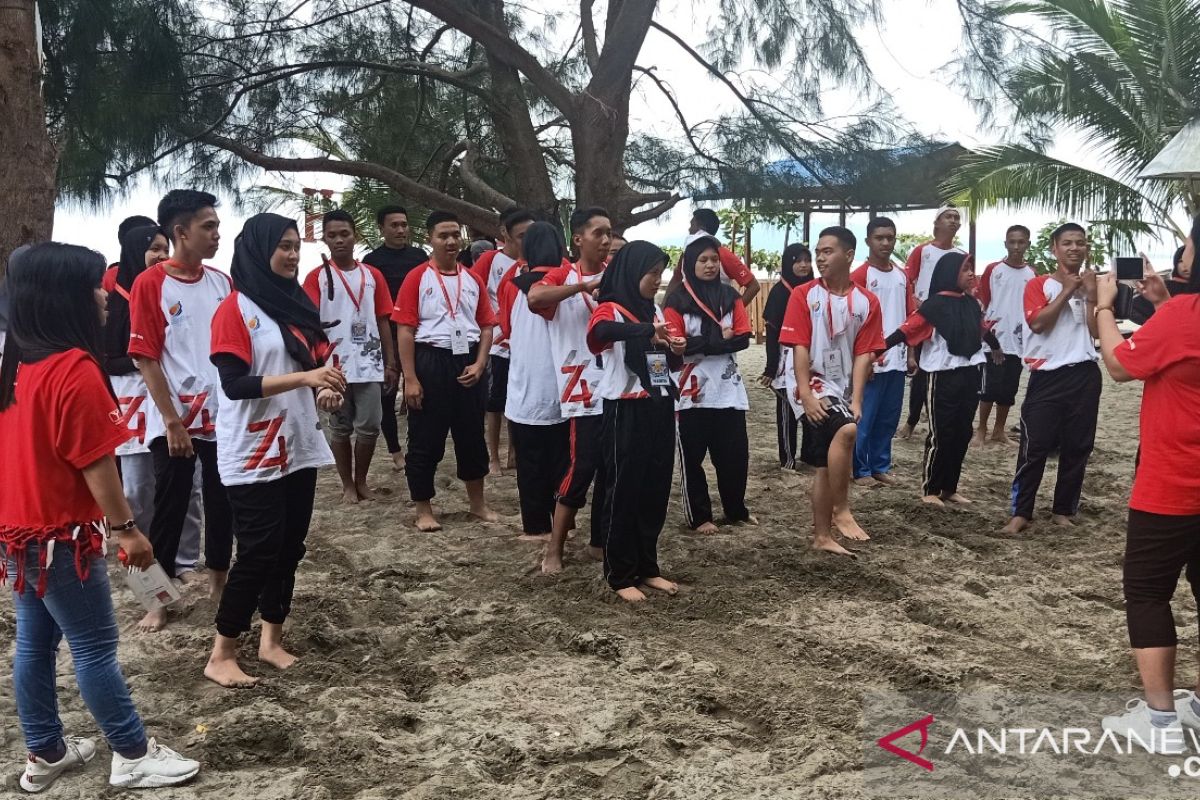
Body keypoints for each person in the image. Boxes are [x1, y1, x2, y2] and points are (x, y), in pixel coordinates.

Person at [0, 242, 201, 791]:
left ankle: (44, 752)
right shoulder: (74, 368)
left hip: (18, 532)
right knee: (93, 648)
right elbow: (95, 464)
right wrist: (127, 529)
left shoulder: (16, 362)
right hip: (61, 535)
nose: (106, 296)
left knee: (34, 644)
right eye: (95, 286)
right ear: (65, 296)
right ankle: (132, 752)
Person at [205, 213, 346, 688]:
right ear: (258, 250)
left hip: (298, 442)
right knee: (259, 549)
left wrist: (328, 387)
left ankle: (271, 640)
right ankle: (222, 651)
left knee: (289, 547)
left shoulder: (296, 304)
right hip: (252, 449)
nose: (291, 254)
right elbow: (236, 384)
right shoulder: (235, 309)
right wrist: (306, 378)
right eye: (282, 246)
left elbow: (322, 361)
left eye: (294, 246)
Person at [1094, 223, 1200, 752]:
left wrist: (1104, 309)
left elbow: (1120, 364)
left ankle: (1161, 724)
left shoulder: (1187, 316)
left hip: (1175, 484)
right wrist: (1163, 305)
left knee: (1147, 592)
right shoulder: (1180, 315)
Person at [128, 189, 233, 631]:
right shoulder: (150, 283)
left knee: (222, 497)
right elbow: (145, 356)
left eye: (216, 225)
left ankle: (219, 580)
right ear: (180, 232)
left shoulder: (222, 281)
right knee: (167, 504)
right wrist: (171, 419)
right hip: (172, 416)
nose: (216, 234)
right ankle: (156, 596)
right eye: (207, 226)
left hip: (222, 413)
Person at [587, 241, 684, 602]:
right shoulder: (611, 307)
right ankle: (619, 573)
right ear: (632, 271)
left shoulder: (655, 310)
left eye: (661, 273)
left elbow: (669, 364)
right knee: (623, 490)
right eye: (652, 273)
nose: (657, 280)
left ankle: (648, 567)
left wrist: (675, 349)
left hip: (659, 404)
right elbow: (599, 335)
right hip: (624, 407)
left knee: (655, 489)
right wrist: (646, 331)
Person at [778, 226, 884, 557]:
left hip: (841, 385)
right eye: (818, 252)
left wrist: (856, 398)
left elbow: (865, 353)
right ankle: (842, 509)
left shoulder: (867, 301)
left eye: (828, 251)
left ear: (849, 255)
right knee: (847, 430)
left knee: (826, 461)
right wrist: (806, 394)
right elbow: (798, 346)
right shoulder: (804, 294)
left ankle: (821, 535)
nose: (820, 258)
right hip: (809, 381)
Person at [393, 211, 498, 531]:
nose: (451, 241)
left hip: (466, 360)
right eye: (443, 235)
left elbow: (486, 326)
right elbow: (406, 330)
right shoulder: (417, 277)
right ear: (430, 238)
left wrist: (480, 363)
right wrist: (410, 378)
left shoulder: (472, 279)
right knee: (426, 437)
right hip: (431, 361)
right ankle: (424, 509)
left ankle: (478, 504)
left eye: (455, 234)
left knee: (471, 436)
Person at [1001, 223, 1101, 536]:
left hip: (1084, 372)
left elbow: (1098, 332)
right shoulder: (1038, 284)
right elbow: (1039, 324)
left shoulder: (1094, 285)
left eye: (1080, 243)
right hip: (1047, 375)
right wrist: (1069, 289)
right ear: (1054, 248)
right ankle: (1021, 512)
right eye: (1068, 243)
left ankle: (1063, 509)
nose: (1075, 248)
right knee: (1034, 446)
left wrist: (1090, 296)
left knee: (1078, 446)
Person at [528, 206, 613, 574]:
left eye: (610, 232)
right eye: (598, 233)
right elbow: (535, 298)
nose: (606, 240)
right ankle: (554, 548)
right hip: (581, 386)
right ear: (578, 239)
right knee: (581, 469)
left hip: (615, 383)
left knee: (613, 468)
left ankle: (599, 542)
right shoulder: (564, 273)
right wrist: (582, 286)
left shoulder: (617, 274)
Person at [882, 253, 1003, 506]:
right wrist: (875, 350)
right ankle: (930, 489)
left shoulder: (971, 304)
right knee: (941, 433)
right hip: (942, 375)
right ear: (949, 273)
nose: (971, 274)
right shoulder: (933, 306)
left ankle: (950, 487)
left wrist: (996, 347)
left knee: (962, 432)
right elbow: (906, 330)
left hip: (970, 372)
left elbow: (981, 330)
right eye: (964, 270)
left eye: (971, 269)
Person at [301, 210, 396, 503]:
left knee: (370, 424)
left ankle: (362, 480)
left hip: (369, 362)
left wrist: (391, 362)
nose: (340, 240)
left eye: (345, 234)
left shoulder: (372, 275)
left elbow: (382, 319)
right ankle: (347, 485)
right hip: (334, 365)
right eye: (332, 235)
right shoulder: (317, 277)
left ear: (355, 235)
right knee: (340, 426)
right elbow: (310, 324)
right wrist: (315, 367)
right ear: (325, 239)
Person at [664, 235, 754, 533]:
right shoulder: (675, 300)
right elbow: (677, 344)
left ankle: (736, 510)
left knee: (735, 455)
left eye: (714, 260)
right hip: (690, 391)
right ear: (690, 264)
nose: (710, 265)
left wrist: (702, 343)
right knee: (692, 457)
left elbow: (742, 337)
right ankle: (700, 516)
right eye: (703, 260)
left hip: (728, 389)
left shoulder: (731, 298)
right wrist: (720, 339)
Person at [496, 222, 570, 540]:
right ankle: (565, 524)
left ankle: (535, 526)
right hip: (563, 385)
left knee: (530, 464)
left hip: (525, 384)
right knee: (563, 462)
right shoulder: (569, 276)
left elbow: (506, 328)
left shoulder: (511, 282)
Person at [363, 205, 429, 472]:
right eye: (394, 225)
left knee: (420, 393)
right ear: (382, 229)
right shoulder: (372, 261)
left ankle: (417, 446)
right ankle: (395, 450)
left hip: (418, 334)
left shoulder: (420, 256)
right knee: (387, 397)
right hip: (386, 335)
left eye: (404, 224)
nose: (401, 230)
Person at [850, 217, 912, 486]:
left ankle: (880, 464)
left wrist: (911, 354)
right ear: (868, 241)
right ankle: (860, 469)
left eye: (890, 237)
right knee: (865, 416)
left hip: (897, 360)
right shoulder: (860, 276)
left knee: (888, 417)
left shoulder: (901, 275)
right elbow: (852, 321)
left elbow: (909, 318)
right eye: (880, 238)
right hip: (871, 360)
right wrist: (861, 361)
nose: (886, 243)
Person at [473, 208, 535, 475]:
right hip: (498, 343)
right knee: (495, 402)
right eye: (521, 235)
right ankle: (493, 456)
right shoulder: (491, 260)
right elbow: (473, 289)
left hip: (524, 344)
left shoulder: (536, 262)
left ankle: (514, 452)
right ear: (505, 234)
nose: (526, 241)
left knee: (518, 398)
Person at [899, 207, 964, 439]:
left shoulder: (961, 255)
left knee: (941, 370)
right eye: (949, 216)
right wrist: (914, 301)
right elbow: (907, 280)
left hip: (947, 322)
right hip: (924, 318)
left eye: (957, 218)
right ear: (936, 222)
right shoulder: (922, 251)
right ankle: (911, 422)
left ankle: (937, 418)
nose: (954, 221)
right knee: (918, 370)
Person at [974, 225, 1035, 446]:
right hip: (995, 339)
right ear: (1005, 244)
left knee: (1009, 388)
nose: (1016, 246)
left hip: (1019, 342)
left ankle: (999, 430)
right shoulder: (994, 269)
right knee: (989, 387)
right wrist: (986, 333)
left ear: (1028, 243)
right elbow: (982, 302)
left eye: (1021, 242)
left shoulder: (1032, 274)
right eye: (1012, 242)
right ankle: (981, 429)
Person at [761, 244, 813, 470]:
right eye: (798, 260)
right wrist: (770, 368)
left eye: (807, 260)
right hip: (786, 358)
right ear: (787, 263)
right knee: (787, 410)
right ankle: (788, 459)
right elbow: (772, 333)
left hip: (812, 356)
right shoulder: (780, 292)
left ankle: (810, 456)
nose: (803, 265)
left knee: (814, 408)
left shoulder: (817, 289)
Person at [665, 208, 761, 305]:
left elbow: (754, 286)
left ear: (701, 227)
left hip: (716, 316)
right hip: (688, 312)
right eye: (703, 260)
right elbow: (677, 278)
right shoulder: (686, 254)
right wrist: (664, 307)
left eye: (691, 225)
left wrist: (733, 313)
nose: (689, 229)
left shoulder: (723, 254)